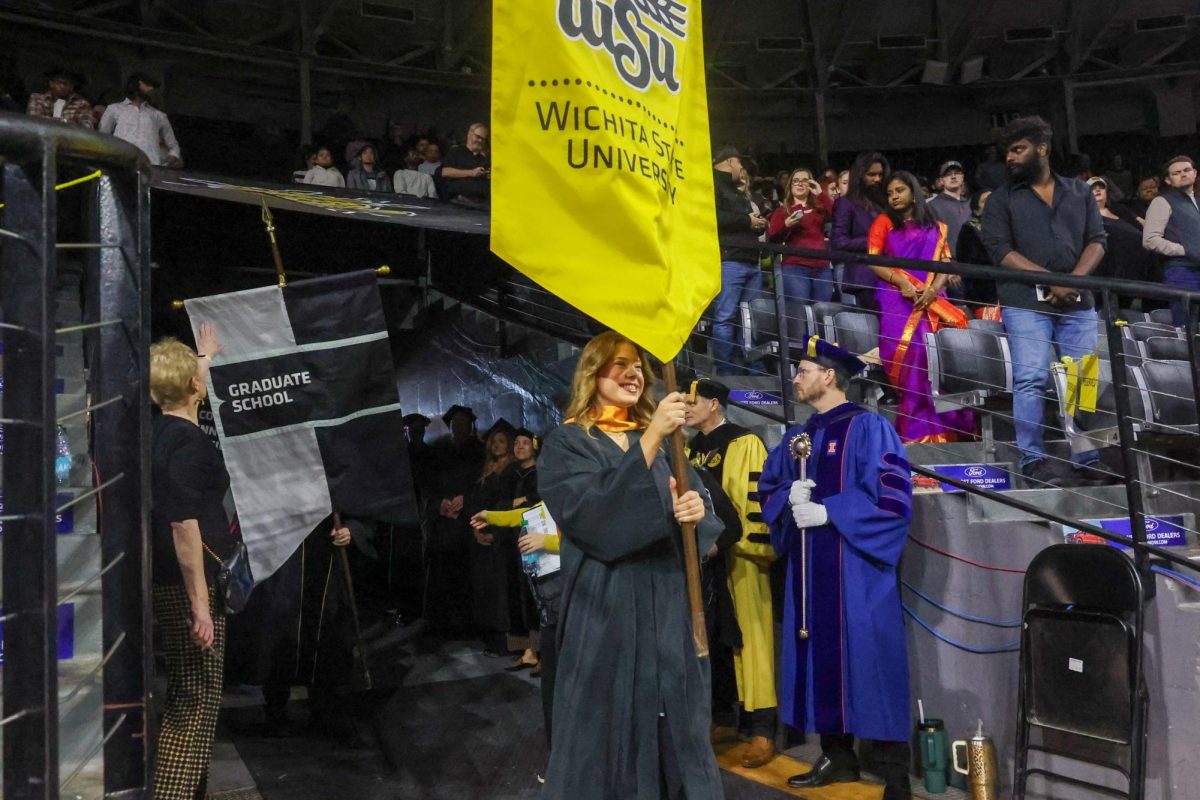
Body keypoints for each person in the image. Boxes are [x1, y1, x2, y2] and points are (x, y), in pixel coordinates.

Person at [537, 331, 725, 800]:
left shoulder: (665, 447)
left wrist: (697, 514)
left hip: (667, 608)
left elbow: (703, 518)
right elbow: (595, 520)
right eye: (619, 364)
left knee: (678, 731)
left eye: (638, 365)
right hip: (606, 612)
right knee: (604, 732)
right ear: (592, 374)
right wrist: (656, 433)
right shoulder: (567, 444)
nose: (634, 372)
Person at [757, 336, 913, 800]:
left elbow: (893, 499)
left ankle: (894, 774)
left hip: (859, 573)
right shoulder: (797, 436)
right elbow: (770, 487)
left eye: (802, 370)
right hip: (810, 573)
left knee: (871, 665)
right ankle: (837, 757)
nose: (794, 378)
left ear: (829, 375)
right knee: (819, 657)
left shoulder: (869, 429)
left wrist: (831, 512)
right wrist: (788, 497)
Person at [980, 115, 1111, 488]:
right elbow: (999, 250)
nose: (1011, 157)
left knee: (1082, 378)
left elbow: (1097, 240)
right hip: (1026, 302)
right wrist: (1050, 281)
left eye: (1018, 149)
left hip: (1078, 302)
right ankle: (1033, 458)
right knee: (1031, 378)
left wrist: (1073, 281)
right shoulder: (1002, 199)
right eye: (1008, 151)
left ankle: (1087, 456)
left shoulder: (1079, 191)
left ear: (1042, 148)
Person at [149, 325, 230, 799]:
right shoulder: (188, 445)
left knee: (186, 691)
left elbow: (186, 391)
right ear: (193, 388)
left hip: (167, 580)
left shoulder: (160, 431)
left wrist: (203, 356)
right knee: (195, 703)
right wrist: (200, 605)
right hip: (189, 585)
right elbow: (184, 526)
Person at [685, 379, 778, 770]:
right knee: (712, 640)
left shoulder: (745, 442)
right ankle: (723, 718)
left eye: (693, 402)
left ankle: (762, 729)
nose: (686, 408)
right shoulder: (687, 449)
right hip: (700, 562)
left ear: (714, 404)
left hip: (738, 556)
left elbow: (752, 503)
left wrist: (735, 545)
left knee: (750, 641)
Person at [868, 171, 974, 444]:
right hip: (895, 297)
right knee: (913, 352)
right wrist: (901, 281)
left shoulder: (936, 227)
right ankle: (918, 428)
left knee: (938, 352)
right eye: (890, 193)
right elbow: (873, 261)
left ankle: (948, 427)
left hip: (932, 300)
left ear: (913, 191)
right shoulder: (883, 222)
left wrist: (933, 290)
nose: (893, 197)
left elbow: (945, 263)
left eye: (899, 191)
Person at [471, 427, 543, 671]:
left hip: (534, 537)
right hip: (511, 540)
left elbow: (536, 502)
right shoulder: (511, 474)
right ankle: (526, 650)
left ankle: (542, 650)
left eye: (525, 443)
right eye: (518, 444)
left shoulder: (540, 472)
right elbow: (502, 503)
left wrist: (517, 504)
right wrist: (516, 503)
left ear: (534, 446)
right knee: (517, 594)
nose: (520, 447)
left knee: (536, 596)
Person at [423, 405, 484, 631]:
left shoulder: (480, 451)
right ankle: (443, 624)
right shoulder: (438, 451)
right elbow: (428, 485)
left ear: (470, 426)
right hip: (444, 525)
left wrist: (466, 498)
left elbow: (484, 483)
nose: (460, 427)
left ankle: (470, 623)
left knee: (469, 575)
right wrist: (440, 503)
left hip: (469, 523)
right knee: (443, 574)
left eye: (464, 423)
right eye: (456, 423)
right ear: (450, 426)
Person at [712, 146, 767, 375]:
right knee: (726, 316)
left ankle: (750, 363)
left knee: (748, 317)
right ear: (731, 162)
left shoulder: (736, 191)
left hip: (749, 259)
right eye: (740, 165)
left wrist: (757, 224)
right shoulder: (713, 184)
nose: (742, 170)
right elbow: (714, 218)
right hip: (730, 260)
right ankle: (726, 369)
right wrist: (747, 220)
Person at [1143, 155, 1200, 324]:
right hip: (1182, 270)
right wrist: (1186, 250)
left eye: (1187, 170)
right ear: (1168, 180)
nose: (1183, 174)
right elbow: (1150, 239)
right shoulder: (1161, 201)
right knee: (1188, 327)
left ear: (1195, 173)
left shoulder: (1197, 199)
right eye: (1176, 173)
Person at [767, 167, 835, 303]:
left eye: (804, 181)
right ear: (790, 186)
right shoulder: (782, 211)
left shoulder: (819, 208)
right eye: (796, 181)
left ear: (810, 184)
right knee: (800, 313)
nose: (800, 184)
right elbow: (772, 238)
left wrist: (821, 194)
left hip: (821, 267)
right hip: (795, 267)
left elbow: (837, 216)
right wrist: (785, 225)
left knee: (823, 311)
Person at [831, 152, 889, 309]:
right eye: (871, 174)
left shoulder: (883, 203)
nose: (877, 179)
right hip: (863, 278)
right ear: (860, 174)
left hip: (890, 277)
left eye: (880, 174)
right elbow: (839, 242)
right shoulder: (846, 203)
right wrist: (875, 242)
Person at [99, 73, 182, 167]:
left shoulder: (159, 115)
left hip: (151, 167)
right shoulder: (114, 109)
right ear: (136, 85)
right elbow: (102, 138)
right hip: (121, 165)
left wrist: (165, 164)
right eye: (148, 85)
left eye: (153, 86)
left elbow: (174, 146)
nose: (151, 89)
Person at [1089, 177, 1152, 285]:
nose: (1098, 190)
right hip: (1112, 274)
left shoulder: (1119, 209)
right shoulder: (1087, 217)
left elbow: (1144, 224)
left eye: (1101, 187)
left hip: (1141, 264)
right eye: (1093, 188)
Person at [956, 189, 1000, 314]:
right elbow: (968, 267)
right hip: (983, 296)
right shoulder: (968, 230)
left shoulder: (1005, 228)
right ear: (976, 210)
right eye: (985, 201)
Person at [926, 160, 971, 260]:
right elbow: (931, 240)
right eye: (948, 174)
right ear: (941, 180)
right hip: (949, 264)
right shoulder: (932, 206)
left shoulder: (970, 204)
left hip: (973, 263)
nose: (953, 176)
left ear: (963, 177)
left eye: (957, 173)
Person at [26, 66, 93, 128]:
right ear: (51, 83)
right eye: (59, 82)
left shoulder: (82, 104)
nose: (62, 86)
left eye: (66, 83)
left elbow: (86, 128)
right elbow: (33, 122)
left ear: (71, 87)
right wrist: (65, 123)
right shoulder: (38, 99)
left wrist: (53, 121)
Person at [439, 123, 489, 205]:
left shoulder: (484, 160)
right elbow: (445, 172)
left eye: (483, 139)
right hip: (459, 202)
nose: (480, 141)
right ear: (469, 134)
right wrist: (472, 173)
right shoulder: (456, 152)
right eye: (478, 137)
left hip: (481, 204)